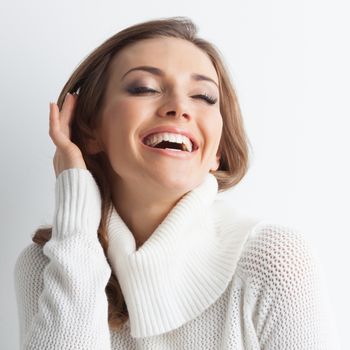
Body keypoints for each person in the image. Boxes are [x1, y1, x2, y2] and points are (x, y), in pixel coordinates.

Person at [14, 16, 339, 349]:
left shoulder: (273, 261)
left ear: (217, 151)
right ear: (90, 130)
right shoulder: (46, 265)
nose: (180, 107)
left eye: (203, 96)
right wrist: (77, 225)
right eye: (144, 88)